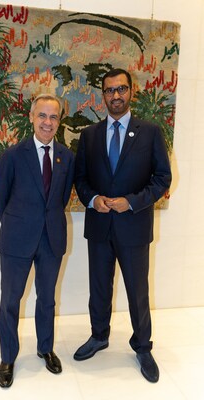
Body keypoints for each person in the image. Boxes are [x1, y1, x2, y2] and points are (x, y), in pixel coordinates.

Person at [73, 68, 172, 383]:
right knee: (99, 288)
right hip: (100, 226)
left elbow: (162, 178)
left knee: (137, 291)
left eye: (121, 89)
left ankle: (142, 346)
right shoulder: (89, 135)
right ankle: (99, 336)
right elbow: (81, 179)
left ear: (131, 92)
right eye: (109, 90)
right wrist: (93, 200)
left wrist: (132, 201)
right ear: (103, 95)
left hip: (134, 226)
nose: (115, 96)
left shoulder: (151, 132)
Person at [0, 93, 75, 388]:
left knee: (47, 299)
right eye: (42, 115)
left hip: (51, 238)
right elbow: (0, 199)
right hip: (17, 239)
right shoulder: (12, 156)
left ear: (59, 121)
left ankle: (45, 348)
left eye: (53, 117)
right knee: (10, 301)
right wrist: (20, 224)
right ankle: (8, 357)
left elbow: (61, 199)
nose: (48, 122)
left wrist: (43, 220)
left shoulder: (67, 157)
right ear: (31, 117)